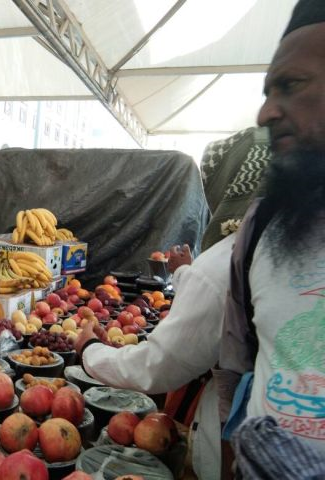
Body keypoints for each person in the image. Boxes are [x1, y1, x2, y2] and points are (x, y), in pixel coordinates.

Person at [75, 127, 271, 480]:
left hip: (238, 444)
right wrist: (185, 276)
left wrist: (90, 350)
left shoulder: (224, 266)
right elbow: (215, 306)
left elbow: (158, 365)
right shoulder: (289, 256)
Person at [217, 0, 325, 462]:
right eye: (267, 92)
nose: (264, 114)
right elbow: (235, 368)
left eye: (290, 85)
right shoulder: (263, 226)